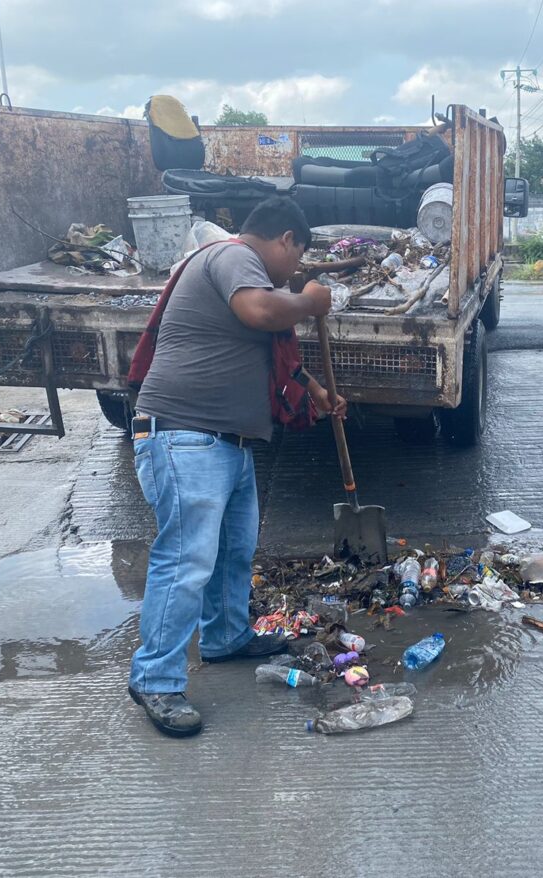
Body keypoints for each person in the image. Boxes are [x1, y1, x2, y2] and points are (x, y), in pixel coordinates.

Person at [128, 197, 345, 737]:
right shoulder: (233, 257)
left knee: (232, 551)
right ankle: (155, 680)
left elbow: (266, 349)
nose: (293, 272)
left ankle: (226, 637)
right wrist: (310, 299)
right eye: (296, 260)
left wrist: (317, 392)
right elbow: (263, 313)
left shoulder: (242, 268)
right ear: (286, 240)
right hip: (184, 436)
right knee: (185, 561)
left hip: (228, 442)